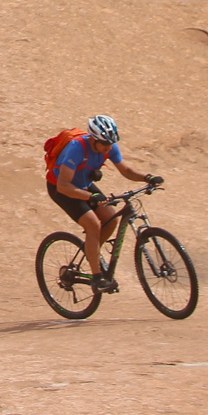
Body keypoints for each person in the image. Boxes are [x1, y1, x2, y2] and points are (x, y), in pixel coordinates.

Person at [47, 115, 162, 291]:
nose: (109, 147)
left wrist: (147, 177)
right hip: (62, 188)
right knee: (93, 223)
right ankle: (97, 277)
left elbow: (127, 170)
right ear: (93, 139)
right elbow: (64, 186)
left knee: (111, 219)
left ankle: (91, 253)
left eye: (111, 143)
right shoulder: (76, 148)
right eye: (105, 144)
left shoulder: (108, 146)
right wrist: (90, 197)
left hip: (83, 184)